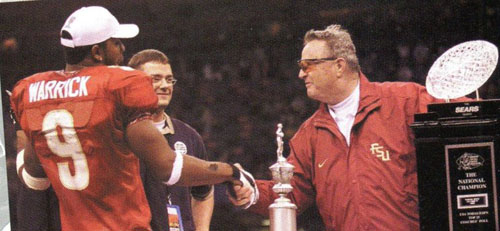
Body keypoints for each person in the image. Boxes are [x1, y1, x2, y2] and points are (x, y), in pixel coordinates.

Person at [10, 6, 255, 231]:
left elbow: (35, 177)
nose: (123, 49)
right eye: (116, 43)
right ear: (97, 52)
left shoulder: (32, 92)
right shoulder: (119, 85)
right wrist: (230, 172)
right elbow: (168, 168)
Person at [230, 24, 468, 230]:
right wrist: (252, 192)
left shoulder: (405, 101)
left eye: (307, 65)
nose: (301, 74)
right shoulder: (309, 134)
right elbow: (289, 193)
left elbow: (473, 118)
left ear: (339, 66)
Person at [128, 49, 214, 231]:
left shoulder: (188, 136)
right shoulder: (119, 135)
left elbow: (204, 193)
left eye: (169, 79)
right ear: (133, 83)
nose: (165, 85)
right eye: (156, 79)